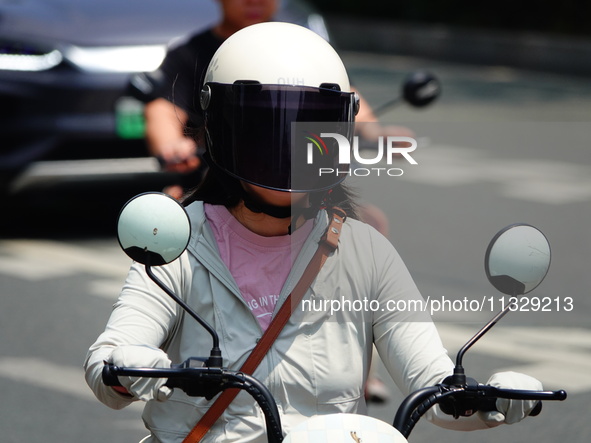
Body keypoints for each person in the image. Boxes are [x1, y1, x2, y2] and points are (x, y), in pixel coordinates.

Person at [85, 23, 542, 443]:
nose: (288, 156)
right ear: (224, 131)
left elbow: (433, 384)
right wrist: (130, 368)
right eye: (266, 133)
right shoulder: (178, 246)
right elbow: (108, 362)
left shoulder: (367, 252)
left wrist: (490, 399)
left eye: (309, 133)